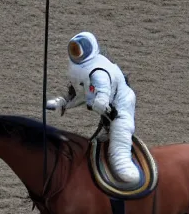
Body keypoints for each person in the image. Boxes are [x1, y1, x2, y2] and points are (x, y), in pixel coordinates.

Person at [46, 31, 140, 185]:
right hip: (106, 110)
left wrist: (102, 100)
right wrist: (63, 103)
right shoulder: (83, 69)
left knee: (121, 126)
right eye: (74, 50)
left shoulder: (98, 71)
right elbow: (82, 94)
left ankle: (123, 161)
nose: (76, 54)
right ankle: (106, 132)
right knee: (103, 135)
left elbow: (103, 88)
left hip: (121, 103)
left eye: (78, 51)